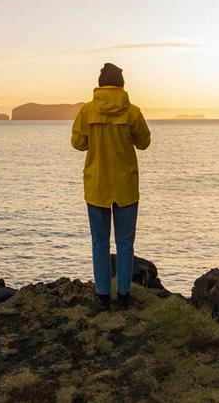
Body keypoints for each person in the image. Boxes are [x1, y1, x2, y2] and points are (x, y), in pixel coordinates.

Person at [71, 62, 151, 310]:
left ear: (100, 83)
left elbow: (78, 143)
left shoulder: (87, 111)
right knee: (126, 243)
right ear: (122, 85)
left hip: (97, 186)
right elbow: (144, 143)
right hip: (126, 185)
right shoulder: (133, 112)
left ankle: (103, 295)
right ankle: (124, 296)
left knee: (99, 242)